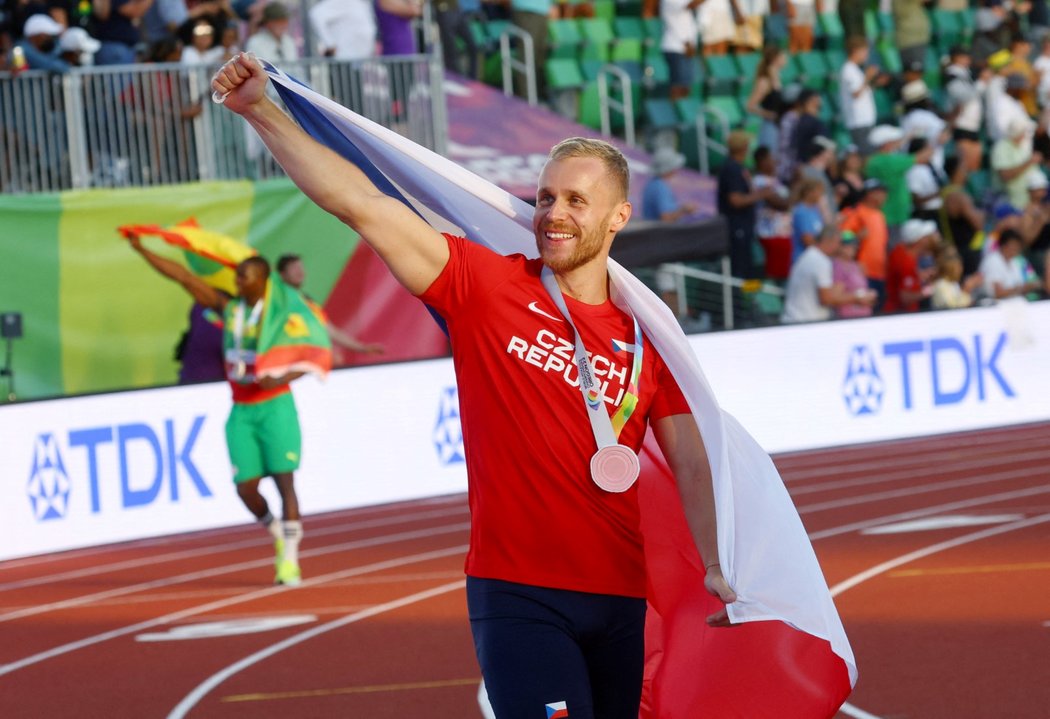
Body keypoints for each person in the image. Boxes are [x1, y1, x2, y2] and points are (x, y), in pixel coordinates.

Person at [211, 52, 737, 719]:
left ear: (618, 217)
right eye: (546, 197)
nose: (554, 213)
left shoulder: (645, 338)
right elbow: (362, 204)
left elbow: (690, 460)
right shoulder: (486, 287)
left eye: (577, 200)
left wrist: (715, 563)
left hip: (618, 598)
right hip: (518, 593)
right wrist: (262, 110)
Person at [126, 234, 329, 586]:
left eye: (244, 276)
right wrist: (143, 250)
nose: (237, 281)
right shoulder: (231, 309)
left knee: (285, 483)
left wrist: (281, 377)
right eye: (237, 276)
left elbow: (313, 352)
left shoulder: (282, 315)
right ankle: (277, 531)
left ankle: (290, 560)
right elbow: (184, 279)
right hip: (241, 410)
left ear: (262, 281)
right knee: (245, 488)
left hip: (275, 405)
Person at [275, 253, 385, 358]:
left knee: (333, 359)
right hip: (285, 360)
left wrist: (362, 348)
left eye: (300, 266)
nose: (299, 270)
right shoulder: (277, 300)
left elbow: (330, 331)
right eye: (293, 267)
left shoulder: (307, 301)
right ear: (282, 274)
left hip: (303, 361)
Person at [781, 225, 869, 323]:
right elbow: (826, 299)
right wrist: (858, 297)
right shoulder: (820, 261)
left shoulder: (809, 255)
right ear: (828, 240)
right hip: (805, 322)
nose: (839, 247)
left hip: (797, 319)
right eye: (838, 243)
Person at [718, 130, 772, 278]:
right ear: (744, 147)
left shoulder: (738, 167)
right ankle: (740, 300)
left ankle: (749, 298)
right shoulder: (732, 169)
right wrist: (761, 194)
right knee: (740, 269)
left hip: (744, 227)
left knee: (749, 268)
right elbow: (735, 200)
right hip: (737, 227)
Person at [840, 177, 890, 309]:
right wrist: (856, 236)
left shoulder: (880, 215)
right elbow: (843, 236)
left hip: (880, 272)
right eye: (880, 192)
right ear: (869, 194)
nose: (884, 196)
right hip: (862, 271)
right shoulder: (856, 212)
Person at [883, 218, 939, 313]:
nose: (931, 238)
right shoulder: (905, 260)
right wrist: (930, 290)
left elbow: (901, 278)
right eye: (927, 236)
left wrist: (920, 275)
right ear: (920, 240)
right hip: (901, 317)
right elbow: (905, 298)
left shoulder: (900, 251)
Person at [839, 36, 883, 154]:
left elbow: (862, 92)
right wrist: (867, 77)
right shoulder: (848, 69)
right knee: (866, 155)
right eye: (864, 51)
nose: (866, 55)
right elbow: (856, 93)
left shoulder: (855, 70)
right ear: (855, 51)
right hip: (858, 121)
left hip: (865, 120)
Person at [978, 227, 1045, 299]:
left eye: (1017, 248)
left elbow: (1027, 282)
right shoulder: (992, 261)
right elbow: (998, 293)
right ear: (1003, 246)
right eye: (1012, 247)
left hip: (1017, 303)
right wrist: (1023, 288)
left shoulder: (1016, 261)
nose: (1015, 251)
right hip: (996, 306)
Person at [745, 44, 788, 151]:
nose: (786, 59)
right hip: (770, 127)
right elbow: (750, 106)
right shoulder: (764, 81)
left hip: (779, 126)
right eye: (783, 57)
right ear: (775, 59)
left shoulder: (777, 78)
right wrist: (768, 114)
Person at [831, 230, 877, 319]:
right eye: (846, 245)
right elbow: (835, 297)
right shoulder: (838, 266)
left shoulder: (857, 265)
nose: (851, 248)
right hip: (848, 317)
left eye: (853, 245)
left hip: (863, 314)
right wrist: (858, 297)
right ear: (839, 246)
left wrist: (869, 297)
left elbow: (863, 291)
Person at [930, 244, 982, 309]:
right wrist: (966, 289)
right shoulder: (941, 285)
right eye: (957, 267)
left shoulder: (953, 283)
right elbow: (953, 306)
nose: (960, 269)